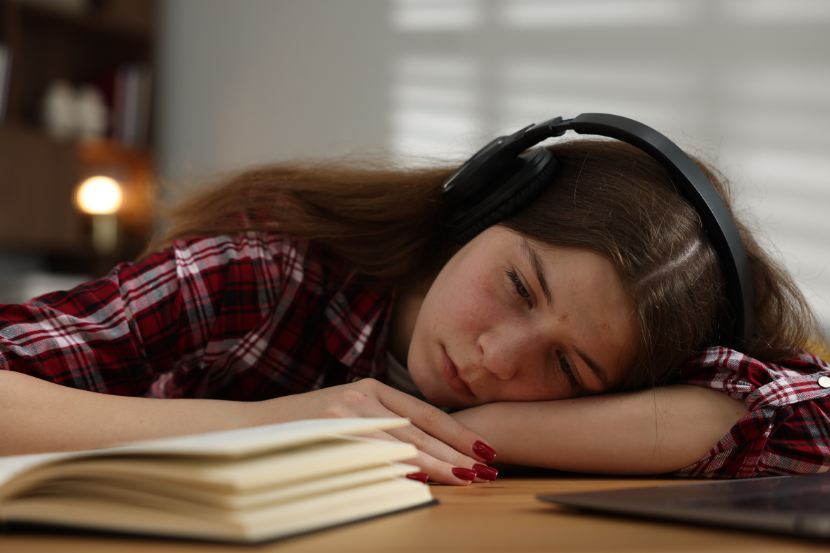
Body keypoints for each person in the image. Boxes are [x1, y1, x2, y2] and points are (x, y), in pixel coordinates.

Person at [1, 127, 828, 486]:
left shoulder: (598, 391)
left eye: (568, 364)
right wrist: (275, 425)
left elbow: (807, 417)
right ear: (482, 203)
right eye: (518, 285)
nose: (501, 357)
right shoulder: (264, 277)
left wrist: (469, 434)